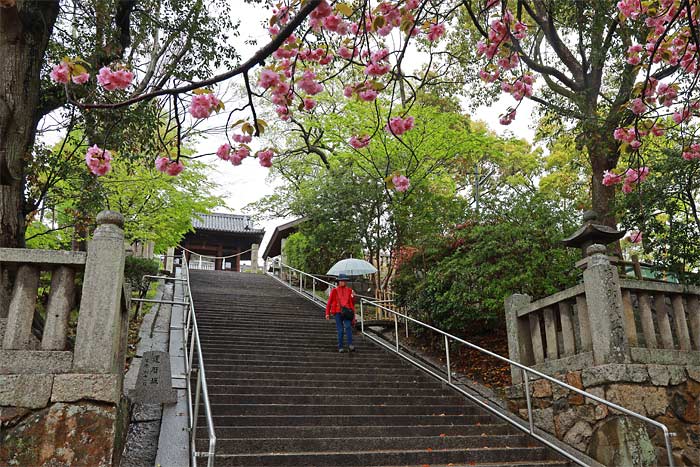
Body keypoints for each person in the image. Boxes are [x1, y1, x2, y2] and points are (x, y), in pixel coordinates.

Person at [325, 273, 356, 352]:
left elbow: (352, 303)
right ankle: (340, 347)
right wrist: (327, 313)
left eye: (345, 281)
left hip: (347, 312)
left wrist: (353, 296)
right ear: (338, 281)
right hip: (337, 312)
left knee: (348, 327)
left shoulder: (349, 291)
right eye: (342, 281)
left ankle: (350, 345)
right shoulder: (334, 291)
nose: (343, 282)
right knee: (340, 330)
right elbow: (329, 302)